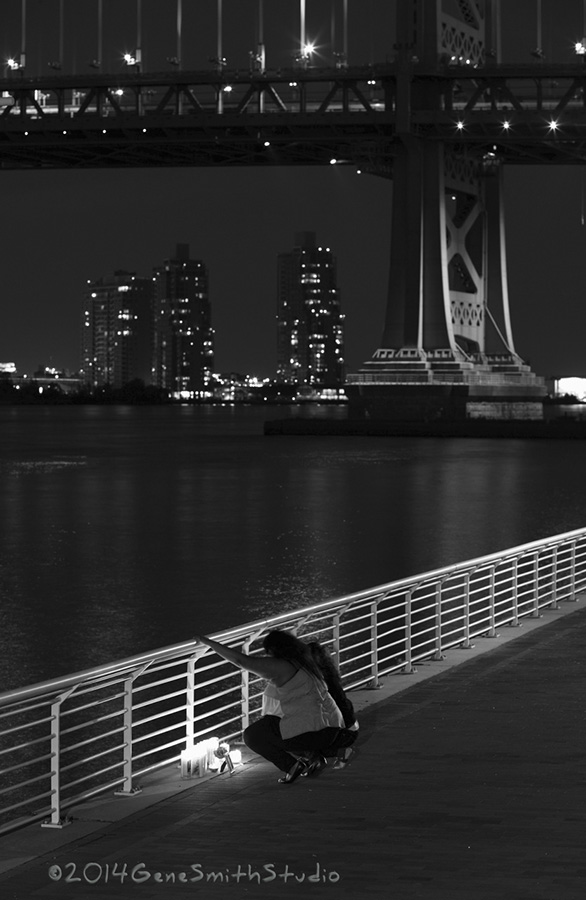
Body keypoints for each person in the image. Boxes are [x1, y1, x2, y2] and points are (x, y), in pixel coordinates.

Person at [194, 629, 345, 783]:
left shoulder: (283, 666)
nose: (268, 657)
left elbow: (242, 661)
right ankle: (313, 757)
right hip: (333, 729)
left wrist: (208, 642)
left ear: (275, 650)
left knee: (254, 735)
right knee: (278, 724)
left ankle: (292, 766)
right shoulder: (305, 661)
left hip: (317, 733)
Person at [306, 640, 359, 768]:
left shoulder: (318, 682)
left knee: (294, 738)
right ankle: (317, 756)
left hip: (343, 733)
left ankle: (335, 752)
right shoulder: (328, 675)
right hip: (350, 727)